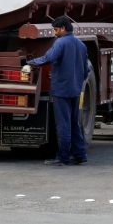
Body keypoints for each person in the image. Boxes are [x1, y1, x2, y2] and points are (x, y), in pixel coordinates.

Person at [27, 16, 89, 166]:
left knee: (63, 125)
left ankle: (63, 158)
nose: (54, 32)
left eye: (55, 29)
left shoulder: (61, 42)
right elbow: (86, 70)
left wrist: (30, 62)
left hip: (61, 90)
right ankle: (80, 155)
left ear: (63, 28)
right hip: (75, 90)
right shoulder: (81, 45)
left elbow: (49, 57)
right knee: (75, 123)